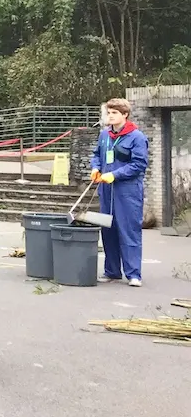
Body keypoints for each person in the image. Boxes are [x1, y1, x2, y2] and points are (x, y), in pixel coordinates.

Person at [90, 98, 149, 287]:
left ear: (125, 115)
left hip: (128, 191)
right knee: (108, 230)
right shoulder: (104, 135)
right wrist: (95, 168)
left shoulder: (137, 137)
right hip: (106, 190)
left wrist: (115, 175)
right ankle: (112, 271)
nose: (110, 116)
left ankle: (133, 274)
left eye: (114, 113)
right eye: (109, 113)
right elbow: (97, 154)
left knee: (129, 231)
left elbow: (139, 165)